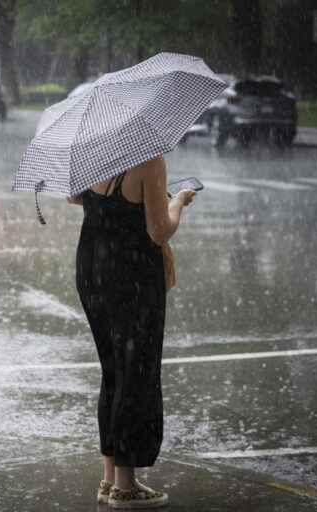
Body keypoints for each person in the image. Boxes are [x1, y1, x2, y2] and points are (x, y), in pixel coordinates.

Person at [68, 155, 195, 509]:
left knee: (113, 370)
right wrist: (178, 201)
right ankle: (126, 486)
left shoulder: (96, 153)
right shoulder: (149, 161)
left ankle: (109, 479)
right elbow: (159, 231)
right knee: (135, 372)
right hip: (132, 274)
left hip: (93, 268)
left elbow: (77, 198)